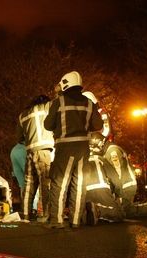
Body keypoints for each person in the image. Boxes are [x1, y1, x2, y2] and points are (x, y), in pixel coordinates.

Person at [44, 71, 103, 228]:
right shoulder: (89, 103)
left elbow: (47, 125)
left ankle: (56, 220)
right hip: (84, 148)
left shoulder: (59, 101)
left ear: (65, 83)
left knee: (60, 183)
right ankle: (76, 220)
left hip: (65, 147)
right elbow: (98, 125)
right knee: (79, 184)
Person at [85, 132, 147, 224]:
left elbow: (118, 172)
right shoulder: (108, 151)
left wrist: (118, 192)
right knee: (125, 209)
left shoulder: (112, 151)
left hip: (125, 186)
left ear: (100, 143)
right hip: (124, 185)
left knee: (121, 210)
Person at [17, 95, 54, 222]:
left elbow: (19, 138)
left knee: (29, 184)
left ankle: (26, 214)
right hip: (43, 151)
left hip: (29, 152)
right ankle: (46, 215)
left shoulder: (22, 115)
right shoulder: (46, 107)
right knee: (46, 183)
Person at [10, 141, 27, 211]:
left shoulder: (15, 149)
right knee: (30, 182)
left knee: (22, 184)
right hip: (24, 148)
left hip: (15, 150)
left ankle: (25, 209)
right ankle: (32, 209)